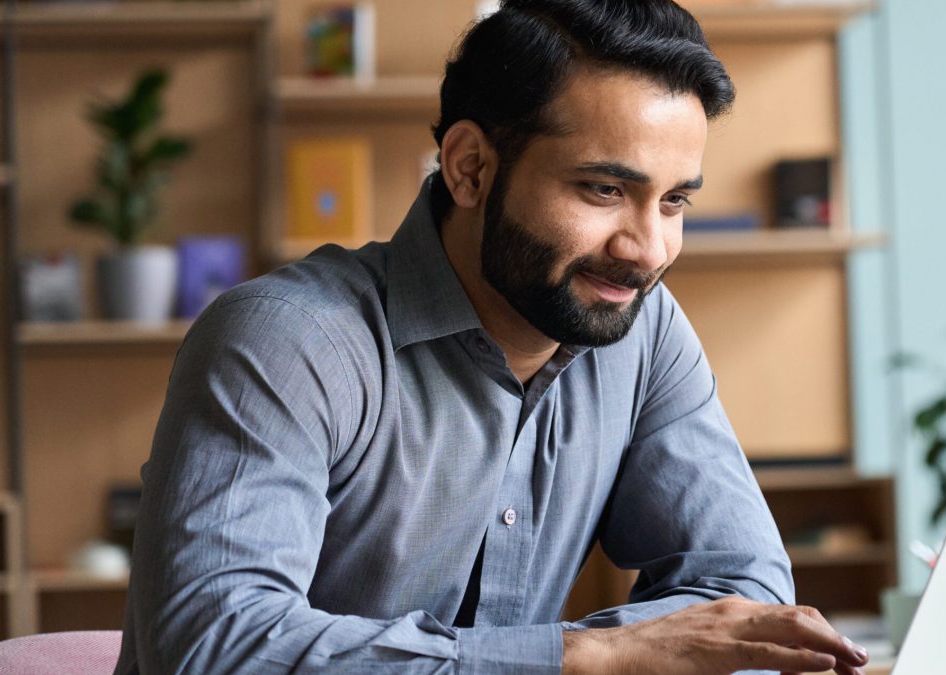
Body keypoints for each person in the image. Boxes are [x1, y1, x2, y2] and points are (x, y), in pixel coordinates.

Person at [115, 1, 869, 673]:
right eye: (605, 189)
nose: (647, 248)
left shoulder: (644, 332)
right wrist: (584, 657)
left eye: (672, 201)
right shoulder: (289, 340)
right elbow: (215, 647)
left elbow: (744, 587)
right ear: (470, 167)